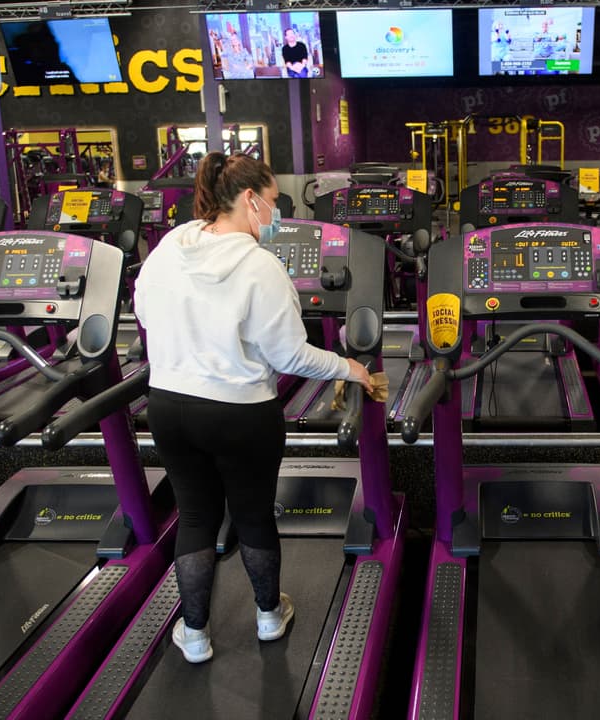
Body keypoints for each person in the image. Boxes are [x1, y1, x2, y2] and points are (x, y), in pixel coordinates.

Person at [134, 152, 373, 664]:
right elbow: (289, 356)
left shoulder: (171, 245)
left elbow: (144, 312)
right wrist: (349, 368)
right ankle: (269, 616)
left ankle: (194, 634)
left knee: (195, 517)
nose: (277, 213)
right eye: (273, 201)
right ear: (250, 199)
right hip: (240, 414)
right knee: (253, 515)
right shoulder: (261, 266)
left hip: (169, 405)